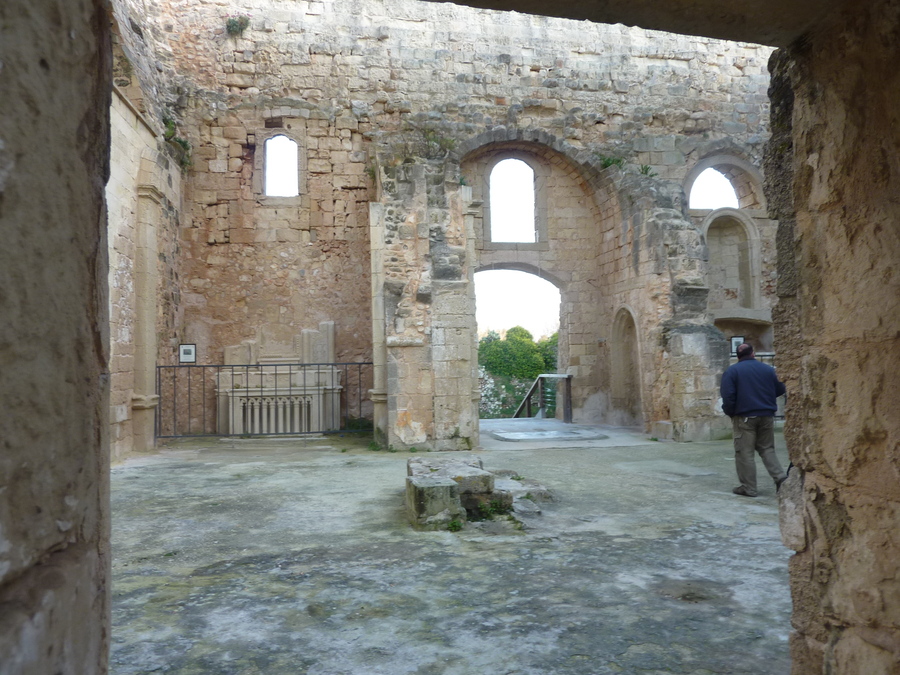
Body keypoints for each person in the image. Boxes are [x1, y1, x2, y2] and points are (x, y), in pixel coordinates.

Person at [720, 343, 787, 497]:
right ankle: (780, 478)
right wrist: (765, 399)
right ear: (753, 353)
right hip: (766, 414)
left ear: (738, 356)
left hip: (744, 416)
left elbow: (728, 396)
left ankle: (749, 487)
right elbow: (780, 388)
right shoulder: (768, 370)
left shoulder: (732, 371)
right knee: (767, 448)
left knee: (745, 452)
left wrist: (731, 412)